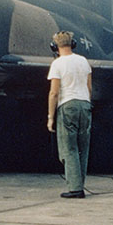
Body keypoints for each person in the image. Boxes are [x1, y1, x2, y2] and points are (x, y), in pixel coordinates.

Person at [47, 30, 93, 198]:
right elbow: (89, 88)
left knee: (69, 148)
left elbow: (54, 93)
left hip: (68, 106)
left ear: (55, 46)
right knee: (83, 147)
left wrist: (50, 117)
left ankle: (75, 188)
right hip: (85, 105)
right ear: (72, 44)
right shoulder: (83, 61)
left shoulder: (57, 64)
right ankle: (79, 183)